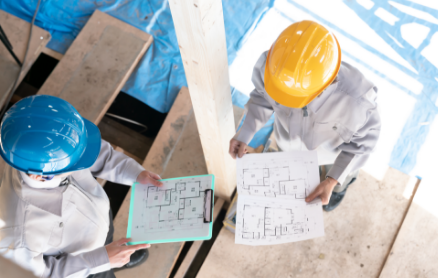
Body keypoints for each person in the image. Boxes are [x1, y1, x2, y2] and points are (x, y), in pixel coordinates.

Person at [0, 95, 163, 277]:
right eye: (75, 162)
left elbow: (99, 154)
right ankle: (109, 265)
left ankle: (114, 255)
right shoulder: (17, 236)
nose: (83, 158)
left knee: (107, 239)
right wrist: (100, 260)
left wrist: (135, 173)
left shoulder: (50, 151)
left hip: (97, 218)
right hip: (81, 266)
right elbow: (44, 274)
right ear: (40, 176)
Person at [229, 20, 381, 211]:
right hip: (289, 147)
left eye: (296, 97)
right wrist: (246, 132)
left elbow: (361, 147)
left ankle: (336, 191)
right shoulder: (277, 68)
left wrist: (332, 181)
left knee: (342, 178)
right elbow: (262, 96)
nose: (287, 100)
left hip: (332, 157)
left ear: (325, 86)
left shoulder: (357, 103)